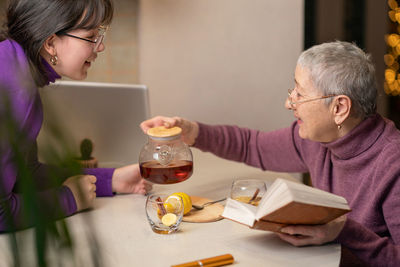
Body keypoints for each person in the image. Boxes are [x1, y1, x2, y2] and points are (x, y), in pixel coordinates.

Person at [141, 41, 400, 266]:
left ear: (339, 108)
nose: (289, 103)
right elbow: (252, 145)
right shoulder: (318, 139)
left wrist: (342, 230)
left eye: (299, 93)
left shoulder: (393, 164)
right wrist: (192, 131)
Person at [0, 0, 151, 232]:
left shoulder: (13, 67)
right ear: (51, 42)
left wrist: (109, 180)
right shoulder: (17, 92)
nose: (100, 47)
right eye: (91, 36)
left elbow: (23, 177)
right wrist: (68, 199)